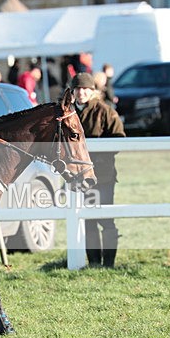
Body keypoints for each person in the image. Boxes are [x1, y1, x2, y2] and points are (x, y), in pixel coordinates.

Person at [70, 72, 126, 268]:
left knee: (106, 220)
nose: (81, 92)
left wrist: (95, 156)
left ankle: (109, 264)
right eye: (78, 89)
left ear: (92, 91)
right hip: (76, 177)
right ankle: (94, 263)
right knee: (87, 220)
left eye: (85, 89)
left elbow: (119, 139)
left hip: (102, 176)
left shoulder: (106, 111)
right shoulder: (67, 112)